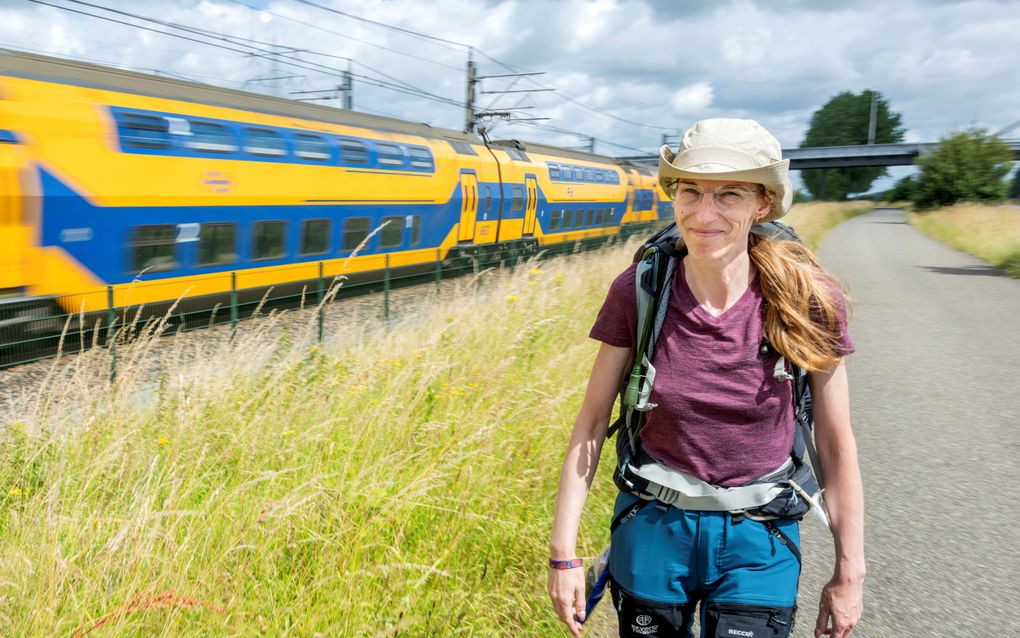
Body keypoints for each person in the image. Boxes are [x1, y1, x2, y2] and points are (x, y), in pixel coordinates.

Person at [547, 118, 864, 638]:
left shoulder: (810, 300)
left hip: (760, 540)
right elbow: (589, 425)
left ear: (762, 203)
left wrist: (849, 570)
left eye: (729, 195)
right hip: (653, 531)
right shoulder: (640, 290)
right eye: (690, 191)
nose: (703, 212)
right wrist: (563, 554)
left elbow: (835, 443)